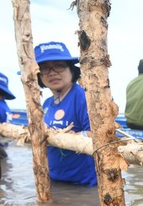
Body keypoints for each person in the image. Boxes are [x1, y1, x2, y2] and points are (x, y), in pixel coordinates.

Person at [35, 41, 97, 186]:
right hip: (55, 180)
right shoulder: (46, 103)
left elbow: (97, 134)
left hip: (83, 184)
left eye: (59, 66)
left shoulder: (82, 96)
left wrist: (68, 137)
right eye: (45, 68)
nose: (52, 73)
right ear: (39, 75)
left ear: (71, 69)